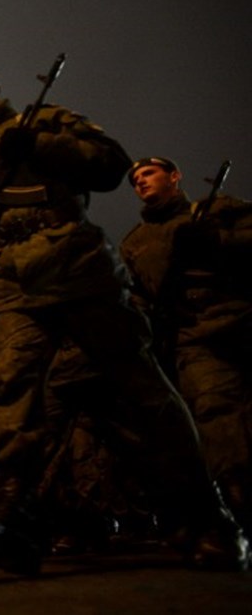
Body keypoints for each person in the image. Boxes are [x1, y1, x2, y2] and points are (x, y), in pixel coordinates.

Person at [0, 66, 247, 570]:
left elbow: (110, 163)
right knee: (13, 391)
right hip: (8, 279)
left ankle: (203, 515)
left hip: (73, 262)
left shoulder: (43, 121)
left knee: (141, 387)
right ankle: (14, 517)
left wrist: (38, 146)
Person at [120, 156, 252, 531]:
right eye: (135, 179)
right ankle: (240, 501)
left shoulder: (217, 210)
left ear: (175, 176)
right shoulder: (136, 242)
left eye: (149, 173)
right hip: (192, 337)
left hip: (241, 319)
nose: (141, 182)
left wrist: (217, 240)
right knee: (215, 412)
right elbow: (138, 294)